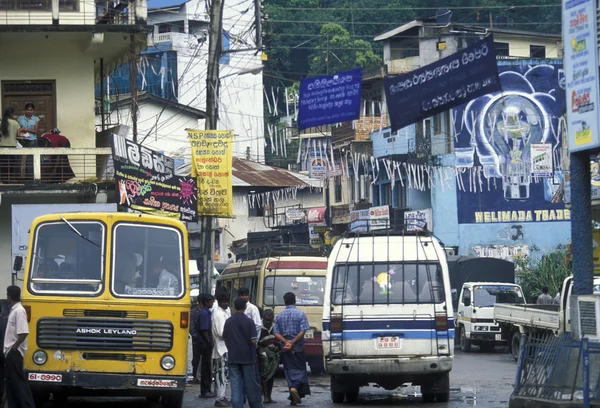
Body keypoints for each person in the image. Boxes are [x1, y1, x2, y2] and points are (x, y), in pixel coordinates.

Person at [223, 298, 264, 408]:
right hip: (247, 358)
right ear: (245, 307)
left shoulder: (229, 321)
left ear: (234, 308)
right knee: (251, 384)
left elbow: (225, 338)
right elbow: (253, 340)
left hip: (233, 357)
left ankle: (237, 406)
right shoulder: (249, 322)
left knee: (235, 386)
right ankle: (256, 405)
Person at [273, 292, 311, 406]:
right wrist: (293, 342)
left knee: (288, 370)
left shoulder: (279, 316)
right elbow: (303, 331)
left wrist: (286, 342)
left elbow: (276, 332)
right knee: (300, 370)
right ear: (295, 301)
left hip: (285, 347)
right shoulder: (300, 314)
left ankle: (293, 396)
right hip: (298, 346)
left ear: (285, 301)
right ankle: (295, 388)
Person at [4, 286, 35, 408]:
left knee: (19, 384)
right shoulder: (14, 310)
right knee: (12, 385)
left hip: (14, 353)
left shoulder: (19, 311)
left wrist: (14, 347)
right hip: (10, 353)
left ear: (9, 296)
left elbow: (24, 332)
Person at [212, 293, 231, 407]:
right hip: (221, 349)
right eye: (224, 301)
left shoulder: (225, 311)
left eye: (227, 301)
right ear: (218, 302)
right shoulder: (218, 314)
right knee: (220, 375)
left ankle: (222, 396)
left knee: (223, 375)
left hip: (224, 348)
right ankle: (220, 398)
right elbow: (221, 333)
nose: (226, 304)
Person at [258, 310, 280, 404]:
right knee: (264, 375)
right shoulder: (259, 327)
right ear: (263, 318)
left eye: (270, 320)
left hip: (274, 353)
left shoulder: (275, 326)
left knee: (271, 375)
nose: (268, 322)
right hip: (262, 353)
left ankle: (269, 396)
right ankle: (265, 396)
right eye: (266, 320)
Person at [198, 294, 215, 397]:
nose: (212, 303)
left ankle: (207, 389)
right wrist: (209, 342)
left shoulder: (207, 312)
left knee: (207, 367)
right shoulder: (204, 313)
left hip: (206, 343)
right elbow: (204, 330)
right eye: (211, 301)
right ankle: (205, 390)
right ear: (206, 302)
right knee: (206, 367)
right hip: (205, 344)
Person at [0, 107, 20, 183]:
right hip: (13, 146)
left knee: (3, 164)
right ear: (11, 114)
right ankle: (9, 179)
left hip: (2, 146)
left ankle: (3, 180)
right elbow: (18, 134)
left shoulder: (1, 123)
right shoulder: (15, 123)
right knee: (11, 164)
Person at [189, 298, 201, 385]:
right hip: (197, 339)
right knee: (196, 357)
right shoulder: (193, 312)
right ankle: (195, 375)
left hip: (201, 339)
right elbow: (191, 327)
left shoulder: (206, 311)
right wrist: (195, 336)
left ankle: (198, 375)